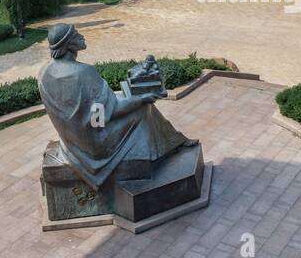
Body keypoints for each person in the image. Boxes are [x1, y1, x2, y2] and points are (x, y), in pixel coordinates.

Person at [37, 23, 192, 191]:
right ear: (68, 44)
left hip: (72, 140)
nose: (81, 35)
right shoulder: (83, 72)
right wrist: (141, 99)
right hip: (95, 143)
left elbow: (93, 111)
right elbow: (107, 113)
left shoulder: (44, 72)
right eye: (76, 34)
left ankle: (174, 142)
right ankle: (172, 145)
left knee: (132, 102)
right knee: (144, 110)